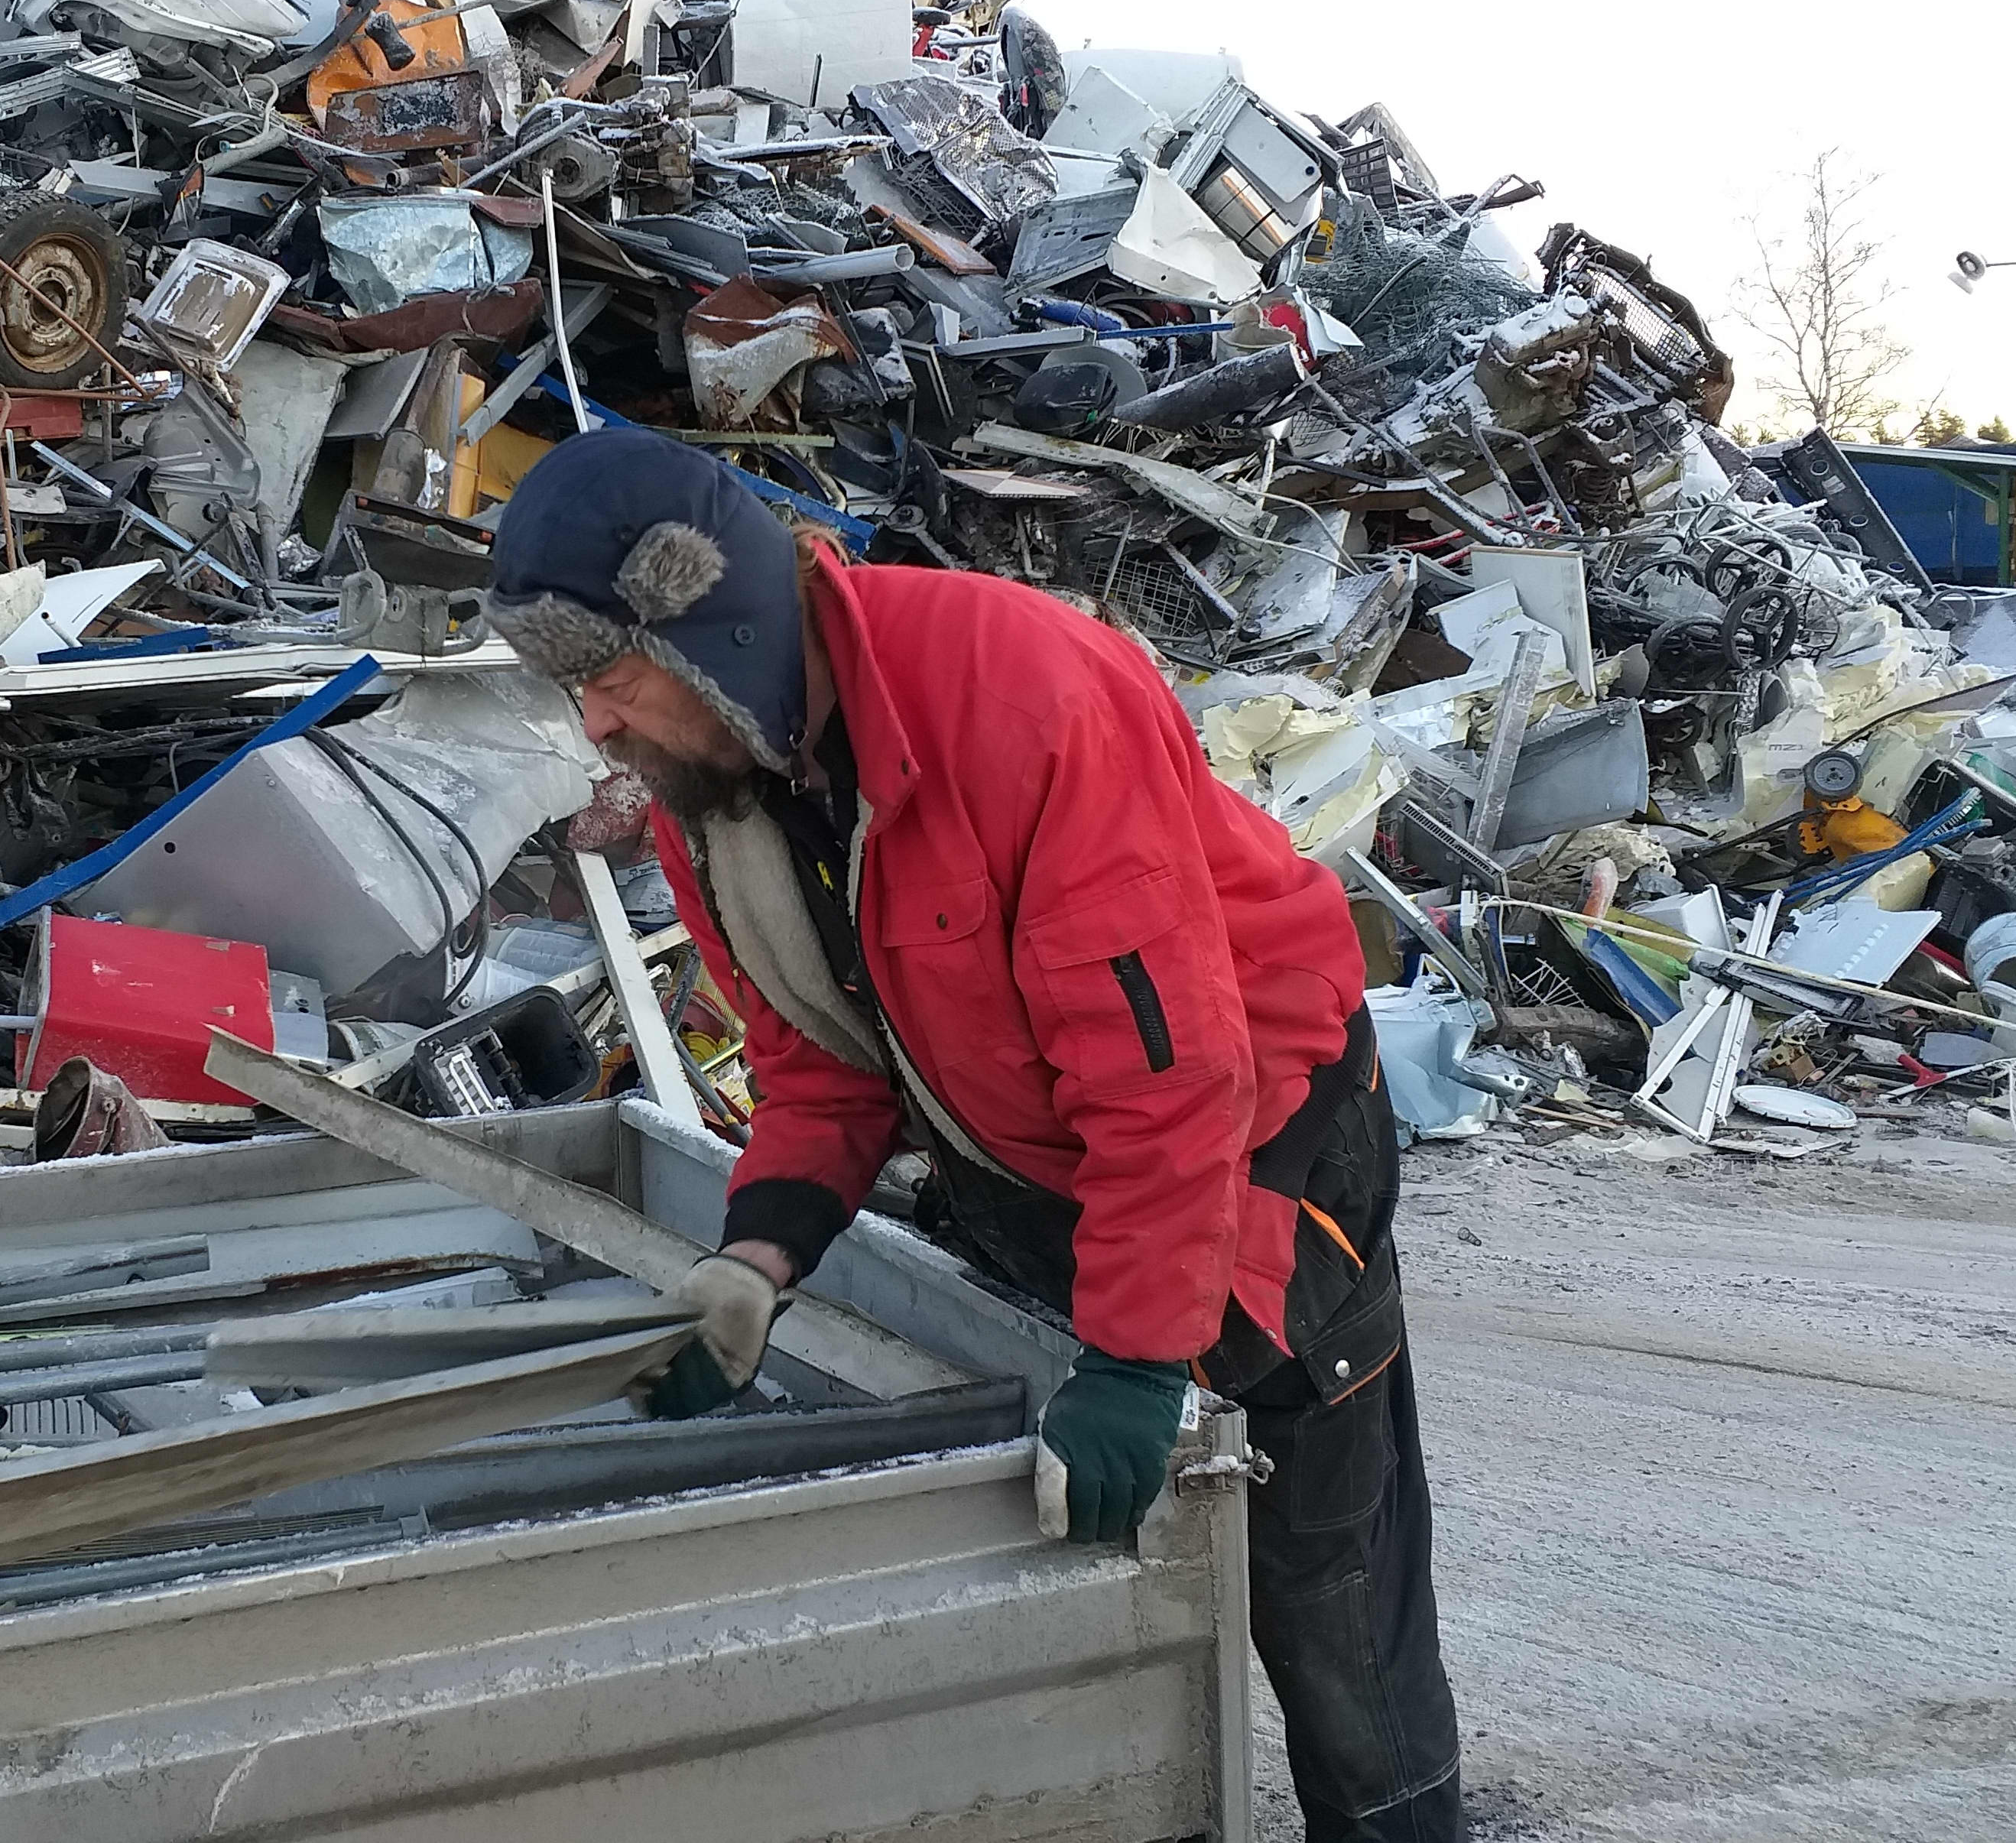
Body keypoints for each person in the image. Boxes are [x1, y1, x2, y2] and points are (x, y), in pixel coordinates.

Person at [483, 428, 1461, 1842]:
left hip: (1262, 1143)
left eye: (614, 679)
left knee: (1323, 1590)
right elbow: (819, 1064)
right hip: (1025, 1157)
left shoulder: (1025, 698)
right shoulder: (723, 787)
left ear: (716, 633)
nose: (599, 728)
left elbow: (1166, 1075)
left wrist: (1135, 1355)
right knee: (1095, 1567)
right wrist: (756, 1258)